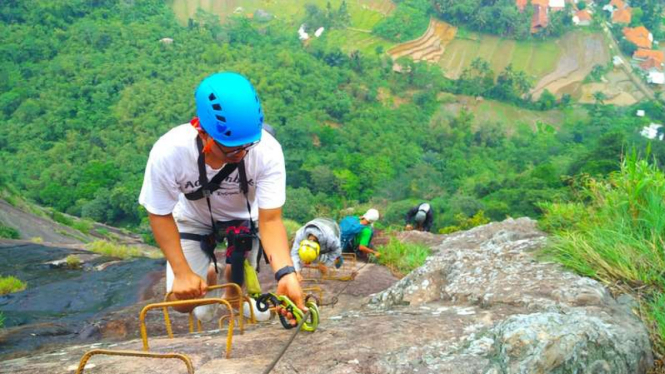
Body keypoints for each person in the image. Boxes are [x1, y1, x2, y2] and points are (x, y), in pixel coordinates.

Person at [138, 72, 304, 323]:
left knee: (251, 303)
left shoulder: (267, 150)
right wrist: (182, 272)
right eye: (231, 147)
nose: (241, 153)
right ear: (202, 132)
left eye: (248, 145)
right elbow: (159, 213)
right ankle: (206, 271)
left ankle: (232, 294)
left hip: (245, 220)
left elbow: (270, 221)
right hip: (195, 220)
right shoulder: (169, 152)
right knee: (185, 305)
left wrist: (286, 273)